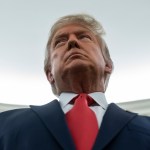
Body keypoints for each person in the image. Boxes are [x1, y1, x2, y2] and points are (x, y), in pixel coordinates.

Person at [0, 14, 150, 150]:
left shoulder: (146, 126)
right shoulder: (4, 125)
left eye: (84, 37)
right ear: (49, 74)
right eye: (60, 42)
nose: (72, 42)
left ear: (108, 65)